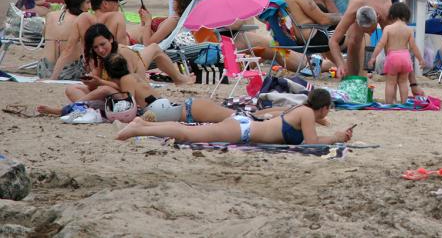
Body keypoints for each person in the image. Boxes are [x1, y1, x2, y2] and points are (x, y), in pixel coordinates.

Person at [115, 87, 353, 146]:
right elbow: (311, 145)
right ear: (323, 108)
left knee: (187, 131)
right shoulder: (307, 114)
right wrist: (336, 137)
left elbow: (271, 114)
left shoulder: (302, 111)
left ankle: (139, 125)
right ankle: (138, 128)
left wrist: (334, 135)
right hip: (244, 131)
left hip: (244, 126)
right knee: (188, 133)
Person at [328, 0, 398, 79]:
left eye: (371, 30)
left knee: (392, 41)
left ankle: (391, 75)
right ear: (356, 19)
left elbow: (393, 44)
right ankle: (352, 77)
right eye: (365, 31)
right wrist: (340, 64)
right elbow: (333, 41)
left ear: (378, 18)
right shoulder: (352, 11)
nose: (370, 33)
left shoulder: (386, 12)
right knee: (353, 39)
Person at [369, 2, 425, 104]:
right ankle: (404, 103)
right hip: (405, 57)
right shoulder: (408, 30)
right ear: (406, 16)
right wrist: (420, 59)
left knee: (390, 83)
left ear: (391, 15)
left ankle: (389, 103)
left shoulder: (388, 29)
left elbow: (381, 44)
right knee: (403, 83)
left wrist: (373, 57)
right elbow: (413, 47)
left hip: (393, 57)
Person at [38, 0, 90, 79]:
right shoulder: (82, 18)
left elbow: (43, 35)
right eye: (87, 2)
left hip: (43, 69)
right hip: (69, 71)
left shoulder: (50, 15)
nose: (90, 6)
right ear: (79, 2)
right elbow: (85, 47)